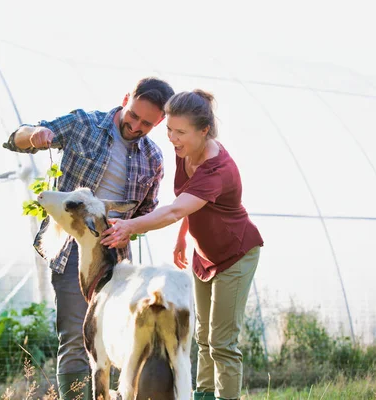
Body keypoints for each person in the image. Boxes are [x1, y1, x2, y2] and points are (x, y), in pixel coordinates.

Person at [2, 77, 175, 400]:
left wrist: (130, 226)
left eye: (147, 123)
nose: (136, 126)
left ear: (160, 121)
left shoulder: (153, 158)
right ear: (126, 99)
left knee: (123, 337)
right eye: (133, 115)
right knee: (75, 337)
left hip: (119, 262)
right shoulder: (85, 124)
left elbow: (147, 213)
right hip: (72, 253)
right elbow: (16, 137)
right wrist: (36, 136)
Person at [101, 89, 264, 400]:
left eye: (180, 132)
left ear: (204, 130)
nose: (173, 139)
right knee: (201, 335)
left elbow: (176, 209)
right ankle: (203, 394)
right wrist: (182, 238)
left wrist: (130, 226)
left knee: (222, 342)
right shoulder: (186, 150)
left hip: (236, 255)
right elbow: (189, 202)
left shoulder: (219, 170)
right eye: (169, 130)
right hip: (205, 256)